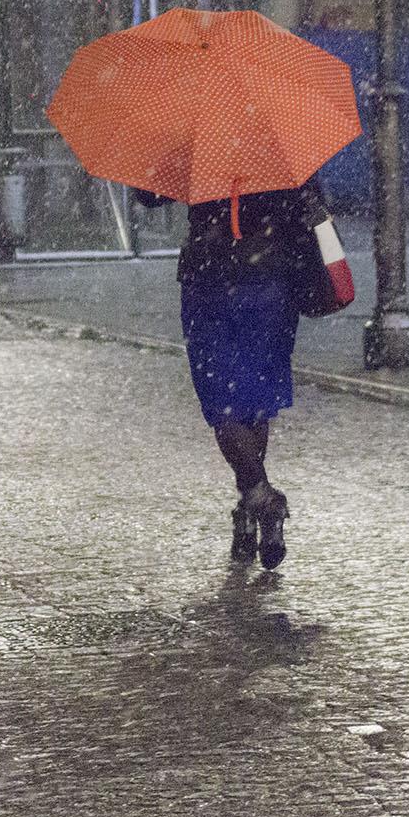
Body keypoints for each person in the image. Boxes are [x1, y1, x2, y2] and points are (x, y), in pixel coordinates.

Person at [135, 183, 324, 569]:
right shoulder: (275, 153)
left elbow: (149, 194)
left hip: (228, 280)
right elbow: (311, 204)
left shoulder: (201, 153)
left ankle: (259, 500)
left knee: (233, 404)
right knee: (242, 404)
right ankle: (255, 503)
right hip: (258, 280)